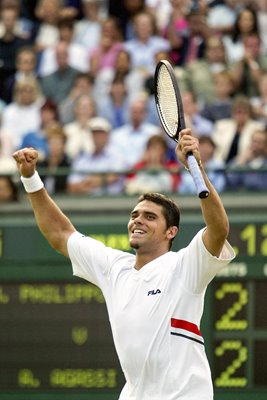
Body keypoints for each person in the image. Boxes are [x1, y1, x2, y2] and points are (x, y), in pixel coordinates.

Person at [13, 127, 235, 399]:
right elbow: (60, 234)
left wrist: (196, 169)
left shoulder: (185, 266)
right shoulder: (113, 266)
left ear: (171, 232)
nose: (138, 220)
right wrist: (30, 178)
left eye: (150, 217)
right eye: (135, 214)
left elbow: (219, 229)